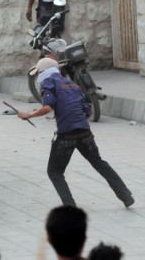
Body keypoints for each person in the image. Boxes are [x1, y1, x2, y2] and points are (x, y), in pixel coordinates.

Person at [18, 58, 134, 208]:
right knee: (99, 162)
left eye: (38, 72)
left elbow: (47, 108)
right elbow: (87, 110)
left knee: (54, 172)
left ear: (43, 72)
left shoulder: (48, 83)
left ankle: (69, 205)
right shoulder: (72, 84)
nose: (38, 76)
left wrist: (29, 115)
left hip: (66, 134)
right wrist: (78, 124)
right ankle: (126, 196)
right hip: (84, 131)